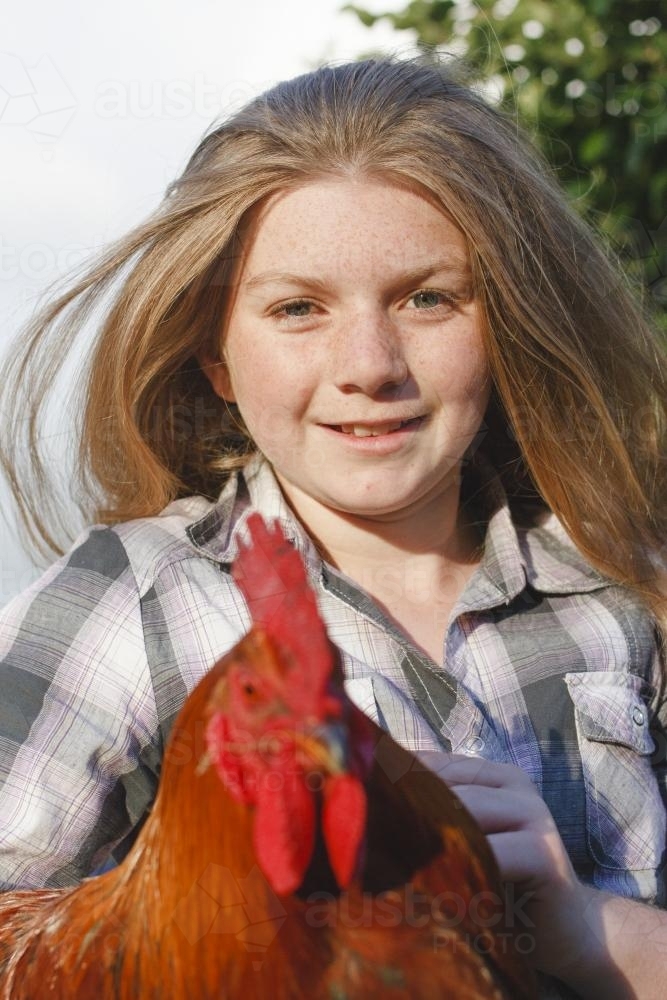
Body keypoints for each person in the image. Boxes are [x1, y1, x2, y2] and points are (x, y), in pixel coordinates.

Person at [0, 55, 665, 997]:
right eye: (297, 308)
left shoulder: (631, 588)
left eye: (426, 297)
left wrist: (588, 926)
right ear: (215, 354)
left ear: (505, 321)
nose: (368, 364)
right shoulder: (128, 601)